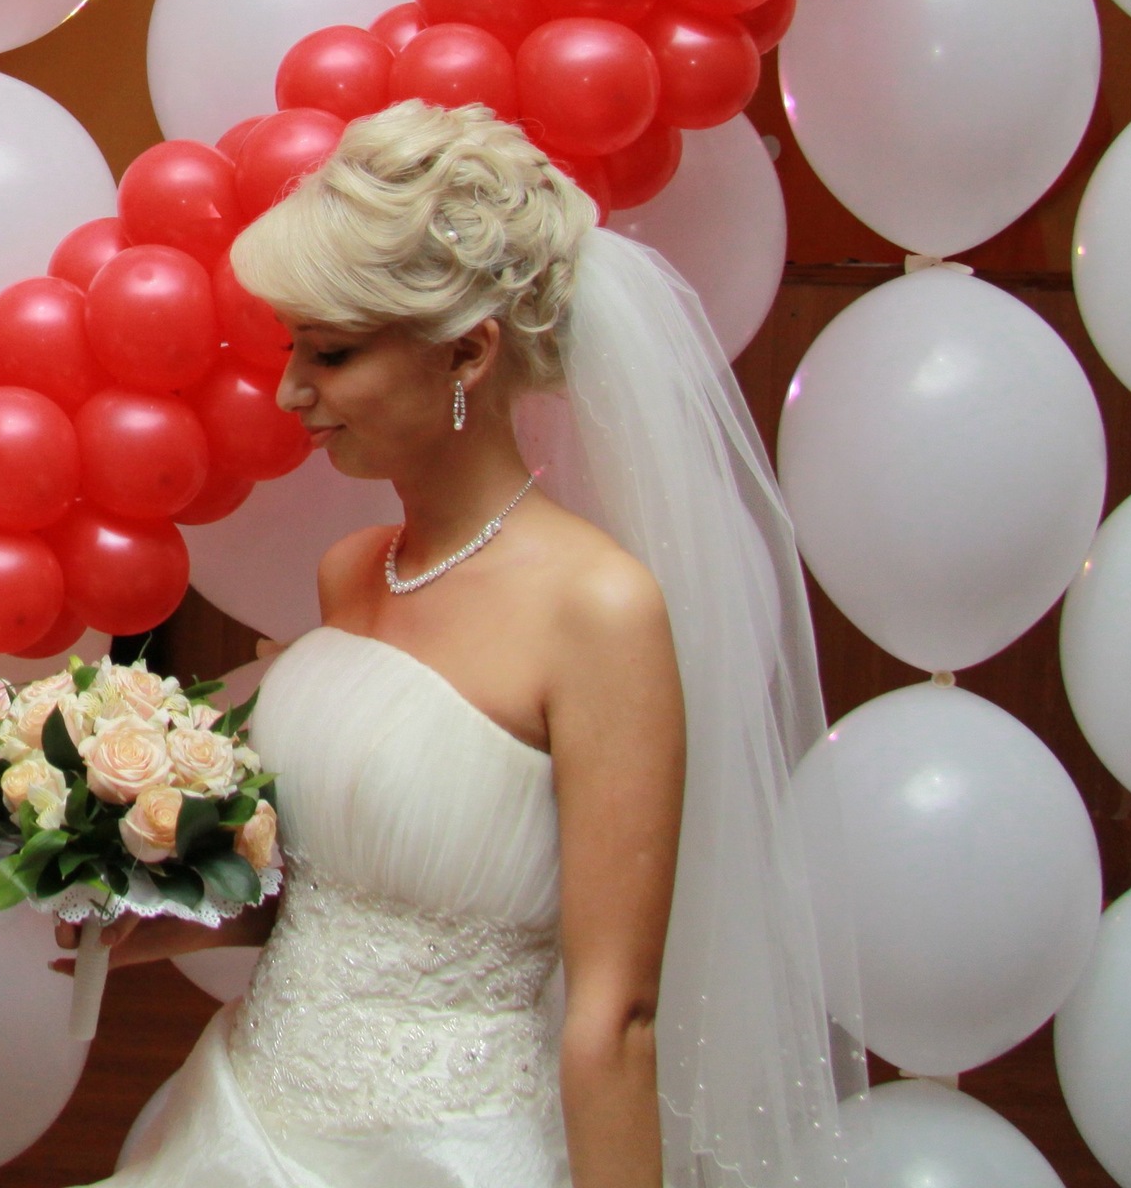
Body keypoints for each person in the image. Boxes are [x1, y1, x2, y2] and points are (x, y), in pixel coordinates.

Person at [78, 102, 855, 1188]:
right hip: (244, 1117)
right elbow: (362, 896)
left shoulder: (597, 609)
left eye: (330, 352)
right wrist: (184, 918)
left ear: (468, 352)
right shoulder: (354, 570)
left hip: (444, 1152)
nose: (291, 390)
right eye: (295, 348)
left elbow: (616, 1015)